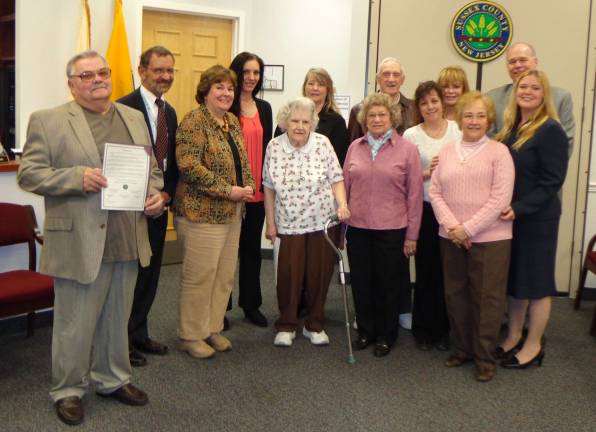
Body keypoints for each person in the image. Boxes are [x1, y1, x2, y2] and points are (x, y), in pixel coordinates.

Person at [17, 50, 165, 425]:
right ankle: (67, 389)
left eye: (103, 72)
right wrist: (75, 179)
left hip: (126, 236)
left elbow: (152, 170)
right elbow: (29, 174)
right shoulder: (48, 120)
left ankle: (112, 379)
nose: (97, 79)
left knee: (117, 318)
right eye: (87, 75)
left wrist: (156, 196)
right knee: (73, 323)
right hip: (79, 240)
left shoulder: (132, 116)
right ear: (71, 83)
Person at [429, 91, 515, 382]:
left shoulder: (499, 153)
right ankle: (462, 348)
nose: (474, 121)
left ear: (489, 119)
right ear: (459, 118)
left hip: (491, 239)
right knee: (456, 294)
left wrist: (469, 228)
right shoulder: (448, 150)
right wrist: (454, 227)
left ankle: (484, 356)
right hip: (450, 236)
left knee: (486, 298)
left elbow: (500, 198)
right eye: (468, 115)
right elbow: (436, 191)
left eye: (480, 115)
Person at [175, 65, 255, 359]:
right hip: (202, 213)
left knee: (223, 276)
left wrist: (246, 186)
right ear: (205, 92)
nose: (226, 93)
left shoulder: (231, 121)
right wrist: (227, 190)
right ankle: (191, 334)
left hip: (233, 211)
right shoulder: (194, 121)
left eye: (230, 88)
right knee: (200, 276)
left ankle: (212, 328)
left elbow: (241, 159)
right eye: (219, 87)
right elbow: (189, 167)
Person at [495, 70, 569, 369]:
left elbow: (553, 181)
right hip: (513, 217)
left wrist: (521, 207)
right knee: (517, 280)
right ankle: (513, 336)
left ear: (544, 94)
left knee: (537, 285)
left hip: (537, 219)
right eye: (522, 86)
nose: (527, 91)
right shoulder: (513, 126)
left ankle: (534, 345)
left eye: (534, 88)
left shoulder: (551, 130)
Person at [263, 97, 350, 347]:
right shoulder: (274, 147)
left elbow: (336, 178)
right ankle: (287, 325)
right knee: (289, 275)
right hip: (288, 222)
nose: (300, 126)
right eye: (294, 121)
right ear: (285, 122)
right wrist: (270, 223)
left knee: (319, 274)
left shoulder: (323, 143)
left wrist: (342, 204)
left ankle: (315, 324)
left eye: (305, 121)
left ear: (313, 123)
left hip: (322, 221)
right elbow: (268, 188)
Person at [344, 93, 423, 357]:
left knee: (388, 284)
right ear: (364, 119)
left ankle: (386, 335)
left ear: (393, 118)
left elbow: (414, 196)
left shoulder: (407, 150)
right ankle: (366, 330)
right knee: (361, 281)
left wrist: (412, 235)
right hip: (358, 228)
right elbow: (344, 187)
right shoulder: (355, 147)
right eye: (372, 115)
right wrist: (342, 226)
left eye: (382, 115)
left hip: (392, 229)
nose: (376, 119)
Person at [118, 45, 178, 367]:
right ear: (142, 71)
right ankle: (122, 342)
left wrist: (166, 196)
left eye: (170, 71)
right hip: (132, 210)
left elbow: (171, 165)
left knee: (152, 274)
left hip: (159, 205)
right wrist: (140, 197)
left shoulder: (169, 112)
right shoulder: (121, 108)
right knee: (132, 276)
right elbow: (118, 161)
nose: (165, 76)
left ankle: (140, 333)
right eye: (159, 70)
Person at [403, 81, 462, 351]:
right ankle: (423, 329)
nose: (430, 107)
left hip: (452, 210)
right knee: (426, 270)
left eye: (434, 101)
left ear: (443, 102)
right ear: (419, 107)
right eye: (424, 102)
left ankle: (444, 329)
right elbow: (403, 177)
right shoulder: (411, 135)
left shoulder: (457, 130)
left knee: (448, 272)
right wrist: (428, 172)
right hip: (425, 209)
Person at [225, 52, 273, 328]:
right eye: (246, 72)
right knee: (226, 251)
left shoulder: (264, 108)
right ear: (236, 73)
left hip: (256, 192)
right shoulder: (226, 105)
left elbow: (268, 147)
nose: (251, 78)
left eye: (256, 73)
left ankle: (251, 304)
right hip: (231, 192)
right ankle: (221, 307)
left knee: (252, 250)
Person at [486, 42, 575, 155]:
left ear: (535, 62)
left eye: (523, 60)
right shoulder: (492, 97)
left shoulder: (561, 98)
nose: (518, 65)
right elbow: (489, 140)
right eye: (512, 61)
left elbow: (566, 142)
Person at [276, 68, 349, 165]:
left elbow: (339, 160)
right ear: (304, 87)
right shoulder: (289, 113)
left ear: (328, 90)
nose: (315, 88)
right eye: (311, 84)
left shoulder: (337, 122)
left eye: (320, 84)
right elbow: (278, 144)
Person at [347, 57, 415, 141]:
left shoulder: (415, 109)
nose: (391, 79)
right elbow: (354, 149)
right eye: (386, 74)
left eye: (396, 75)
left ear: (402, 80)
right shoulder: (358, 110)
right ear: (378, 79)